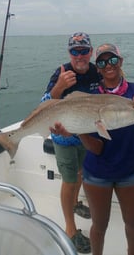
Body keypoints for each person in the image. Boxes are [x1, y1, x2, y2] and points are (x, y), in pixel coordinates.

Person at [50, 43, 134, 255]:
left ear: (120, 62)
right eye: (102, 62)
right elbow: (96, 149)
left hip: (130, 170)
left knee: (133, 223)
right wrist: (79, 130)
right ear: (98, 67)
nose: (108, 65)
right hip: (97, 173)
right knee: (99, 226)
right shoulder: (92, 95)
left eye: (113, 60)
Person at [41, 32, 101, 254]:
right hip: (63, 137)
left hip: (87, 135)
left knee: (81, 173)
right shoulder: (62, 72)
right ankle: (70, 229)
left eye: (84, 50)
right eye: (75, 51)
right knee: (69, 179)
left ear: (91, 52)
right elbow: (44, 105)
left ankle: (76, 203)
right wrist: (58, 87)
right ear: (69, 53)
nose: (80, 56)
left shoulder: (97, 71)